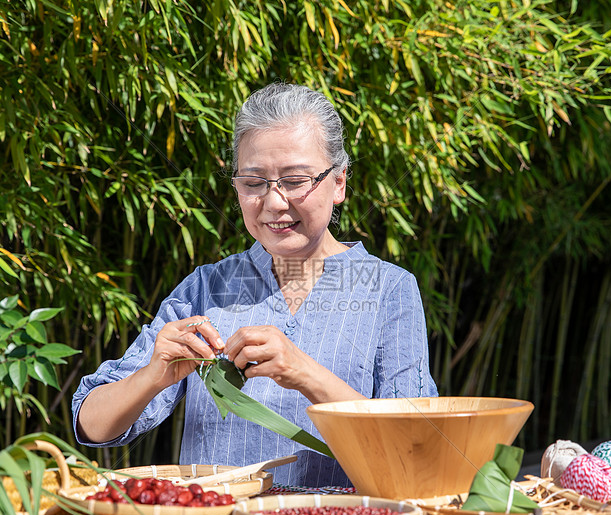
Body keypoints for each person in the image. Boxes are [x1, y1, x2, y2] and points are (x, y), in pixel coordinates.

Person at [72, 83, 438, 486]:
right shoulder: (204, 289)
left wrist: (304, 373)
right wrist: (153, 376)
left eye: (296, 180)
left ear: (339, 184)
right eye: (253, 182)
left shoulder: (388, 289)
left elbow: (416, 443)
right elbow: (92, 425)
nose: (275, 202)